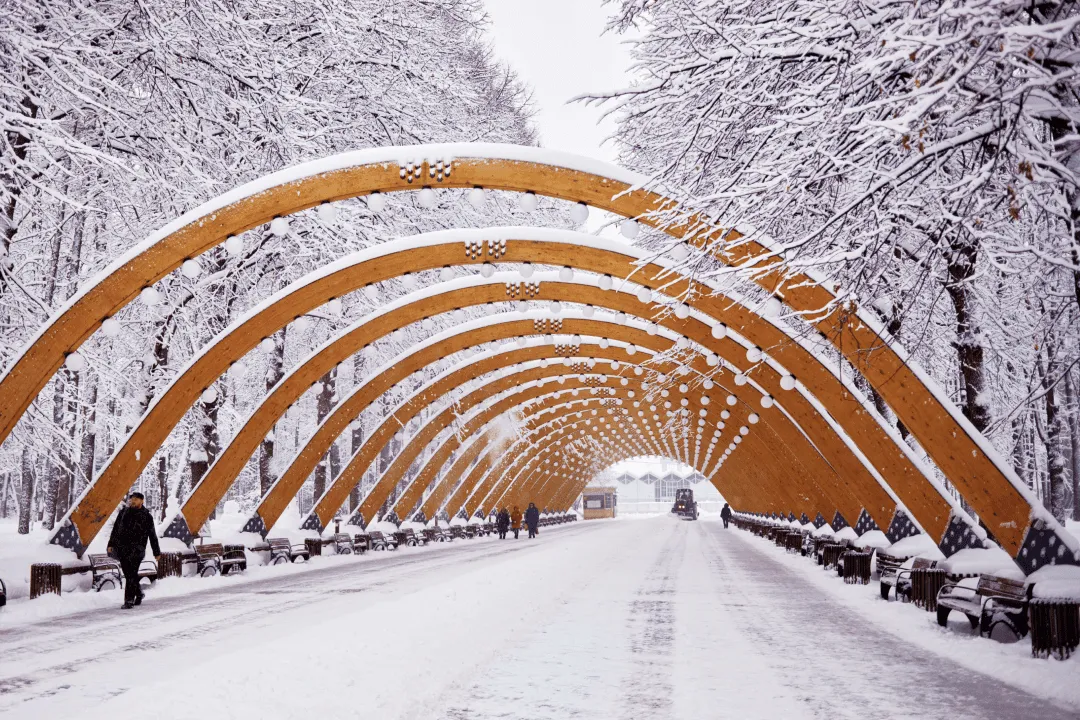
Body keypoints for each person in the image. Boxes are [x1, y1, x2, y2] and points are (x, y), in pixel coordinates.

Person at [107, 492, 161, 609]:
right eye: (131, 499)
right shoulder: (123, 512)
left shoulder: (147, 516)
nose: (132, 501)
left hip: (137, 550)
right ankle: (139, 593)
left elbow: (152, 535)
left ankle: (129, 600)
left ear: (142, 501)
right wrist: (111, 544)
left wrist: (156, 552)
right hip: (122, 549)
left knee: (131, 574)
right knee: (129, 574)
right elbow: (115, 529)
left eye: (136, 499)